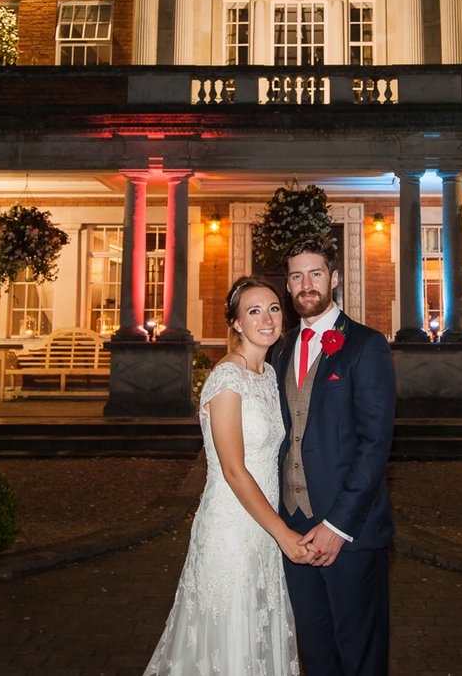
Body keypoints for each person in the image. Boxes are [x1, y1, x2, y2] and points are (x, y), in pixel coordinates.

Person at [145, 276, 308, 676]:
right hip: (232, 528)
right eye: (254, 311)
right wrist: (283, 533)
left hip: (264, 527)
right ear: (235, 323)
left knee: (260, 628)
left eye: (273, 308)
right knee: (230, 637)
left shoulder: (269, 375)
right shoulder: (226, 380)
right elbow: (234, 470)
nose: (267, 318)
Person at [275, 236, 396, 676]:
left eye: (316, 273)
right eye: (296, 276)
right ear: (288, 286)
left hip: (349, 533)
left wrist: (337, 526)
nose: (306, 284)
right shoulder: (281, 348)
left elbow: (374, 444)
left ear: (335, 279)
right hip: (294, 530)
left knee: (359, 656)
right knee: (317, 655)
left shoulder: (367, 344)